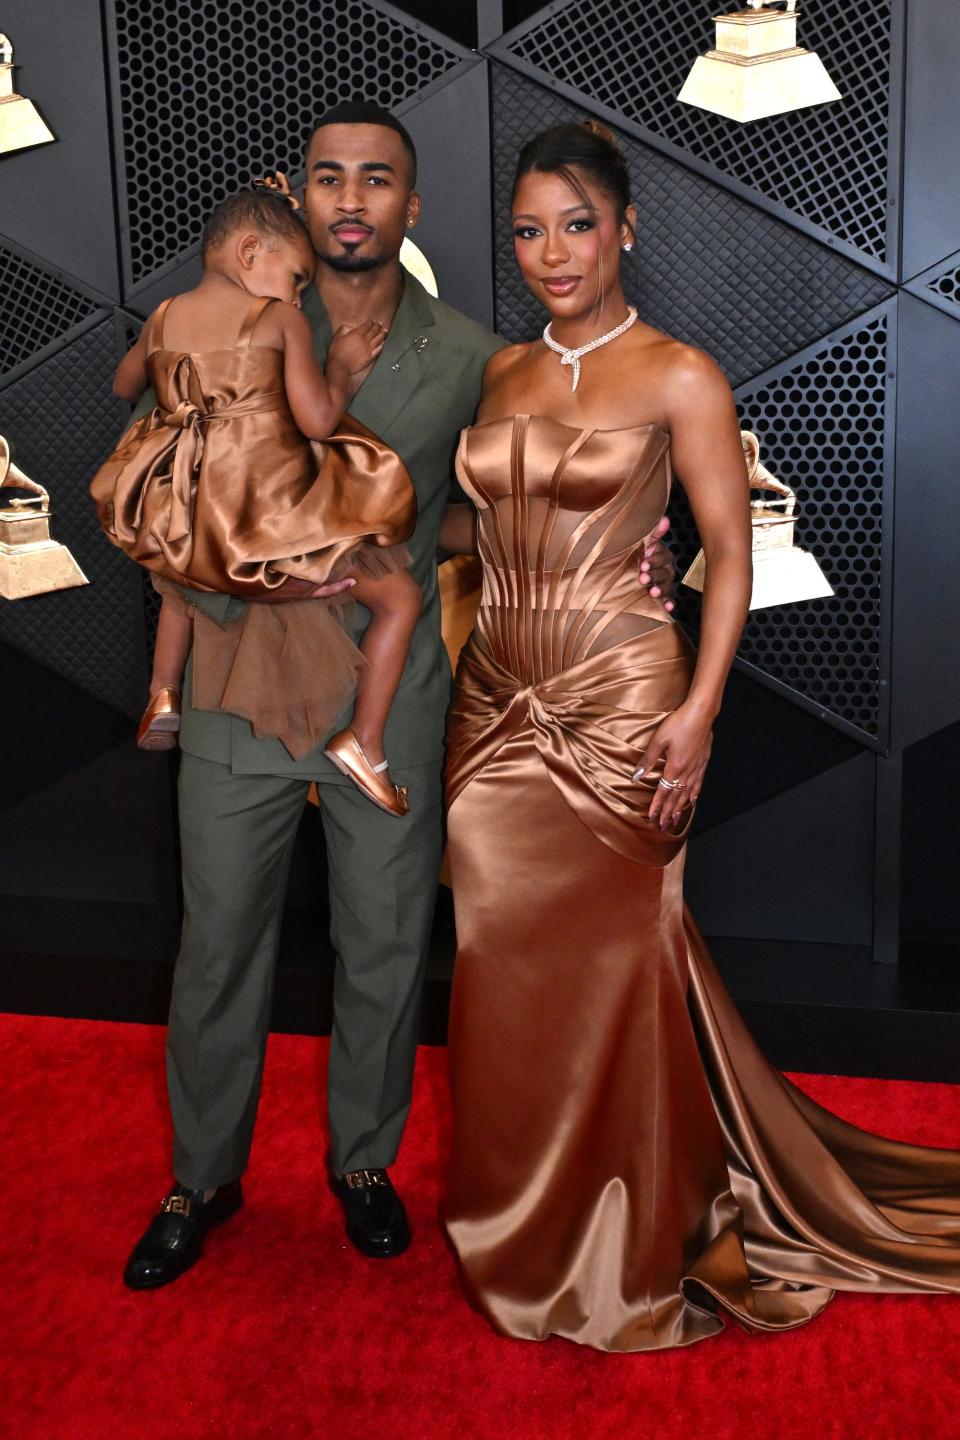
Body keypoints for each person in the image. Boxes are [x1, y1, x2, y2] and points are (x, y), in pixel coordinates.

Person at [119, 103, 674, 1291]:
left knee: (384, 947)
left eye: (378, 181)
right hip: (231, 683)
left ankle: (362, 1164)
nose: (352, 200)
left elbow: (485, 500)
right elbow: (166, 469)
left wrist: (610, 536)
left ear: (410, 209)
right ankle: (201, 1178)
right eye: (329, 179)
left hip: (389, 699)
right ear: (299, 195)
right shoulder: (238, 317)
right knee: (217, 947)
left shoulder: (474, 356)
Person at [440, 120, 960, 1353]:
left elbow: (729, 557)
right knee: (500, 971)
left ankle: (640, 1229)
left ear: (627, 228)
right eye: (528, 229)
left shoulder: (683, 374)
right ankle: (527, 1219)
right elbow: (486, 533)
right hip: (494, 691)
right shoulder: (504, 374)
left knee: (622, 965)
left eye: (577, 225)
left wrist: (698, 711)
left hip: (622, 696)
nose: (552, 252)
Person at [92, 183, 421, 814]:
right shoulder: (278, 320)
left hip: (187, 507)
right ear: (250, 251)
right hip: (263, 517)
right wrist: (344, 366)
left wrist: (185, 404)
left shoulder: (162, 316)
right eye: (296, 277)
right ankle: (367, 741)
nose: (298, 294)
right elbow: (319, 421)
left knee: (179, 581)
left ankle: (163, 693)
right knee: (399, 596)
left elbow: (124, 381)